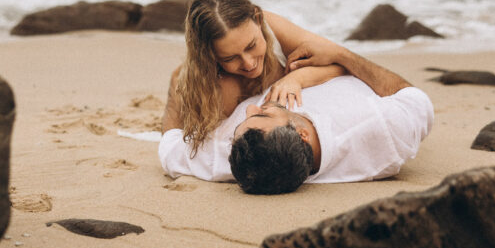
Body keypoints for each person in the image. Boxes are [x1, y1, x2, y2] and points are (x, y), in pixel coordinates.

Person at [159, 50, 433, 194]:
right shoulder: (383, 128)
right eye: (264, 115)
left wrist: (174, 90)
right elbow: (414, 96)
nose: (252, 109)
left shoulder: (233, 158)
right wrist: (342, 56)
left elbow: (170, 149)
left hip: (270, 73)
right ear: (302, 134)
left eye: (248, 119)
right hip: (334, 68)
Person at [161, 0, 358, 157]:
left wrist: (297, 78)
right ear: (211, 56)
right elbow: (217, 154)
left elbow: (343, 60)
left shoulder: (273, 28)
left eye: (251, 46)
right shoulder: (223, 88)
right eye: (230, 58)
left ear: (257, 18)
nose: (248, 64)